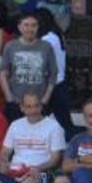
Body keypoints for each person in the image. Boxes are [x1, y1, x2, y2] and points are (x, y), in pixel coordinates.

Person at [0, 13, 57, 124]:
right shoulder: (10, 46)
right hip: (16, 103)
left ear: (38, 27)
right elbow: (3, 73)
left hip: (39, 104)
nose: (30, 29)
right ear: (19, 27)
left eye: (33, 25)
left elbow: (53, 74)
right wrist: (9, 97)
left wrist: (46, 98)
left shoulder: (46, 47)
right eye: (26, 25)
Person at [35, 8, 74, 137]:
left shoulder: (47, 39)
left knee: (42, 118)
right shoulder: (56, 35)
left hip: (51, 85)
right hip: (59, 83)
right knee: (63, 120)